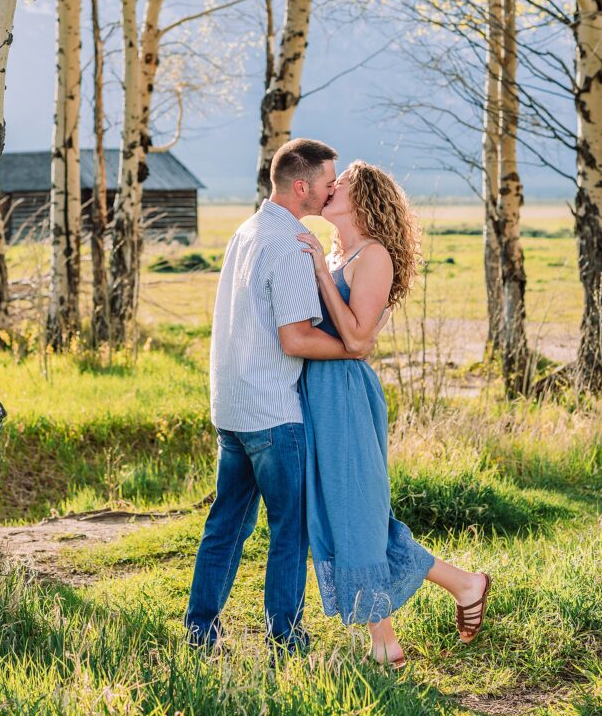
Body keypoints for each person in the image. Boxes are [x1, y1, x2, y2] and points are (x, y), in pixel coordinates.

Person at [184, 139, 387, 656]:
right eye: (327, 182)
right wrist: (353, 348)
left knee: (226, 524)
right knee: (290, 533)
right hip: (273, 411)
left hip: (231, 407)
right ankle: (287, 641)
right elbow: (295, 338)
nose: (331, 189)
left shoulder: (248, 231)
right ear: (303, 186)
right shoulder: (293, 242)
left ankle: (200, 630)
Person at [297, 160, 491, 669]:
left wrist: (319, 270)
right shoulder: (342, 252)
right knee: (352, 513)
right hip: (320, 392)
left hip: (344, 394)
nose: (329, 187)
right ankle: (464, 583)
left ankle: (385, 644)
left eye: (341, 185)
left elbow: (357, 339)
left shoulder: (373, 255)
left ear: (364, 200)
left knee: (354, 512)